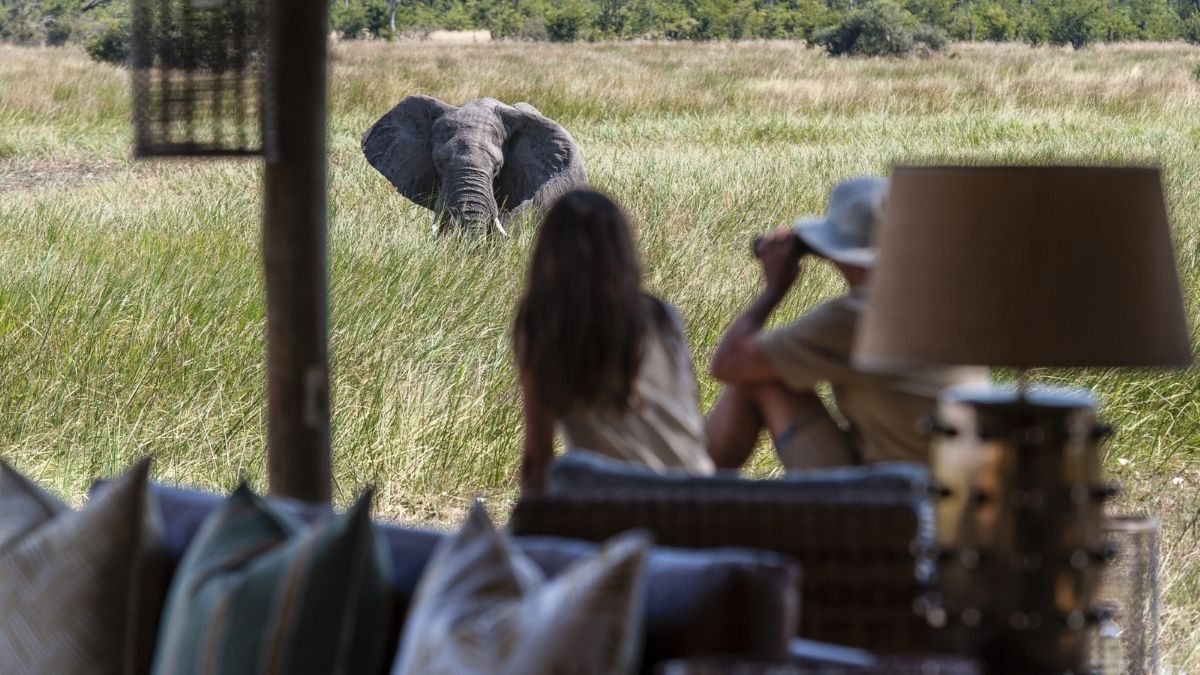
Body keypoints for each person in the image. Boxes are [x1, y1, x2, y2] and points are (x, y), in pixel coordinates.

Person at [706, 176, 989, 470]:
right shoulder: (942, 301)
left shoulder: (858, 317)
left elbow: (729, 363)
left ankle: (684, 494)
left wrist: (774, 290)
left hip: (889, 497)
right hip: (954, 490)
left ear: (837, 253)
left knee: (756, 376)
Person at [514, 190, 715, 495]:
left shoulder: (542, 323)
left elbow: (538, 459)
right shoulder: (662, 316)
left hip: (617, 504)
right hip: (699, 495)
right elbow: (691, 413)